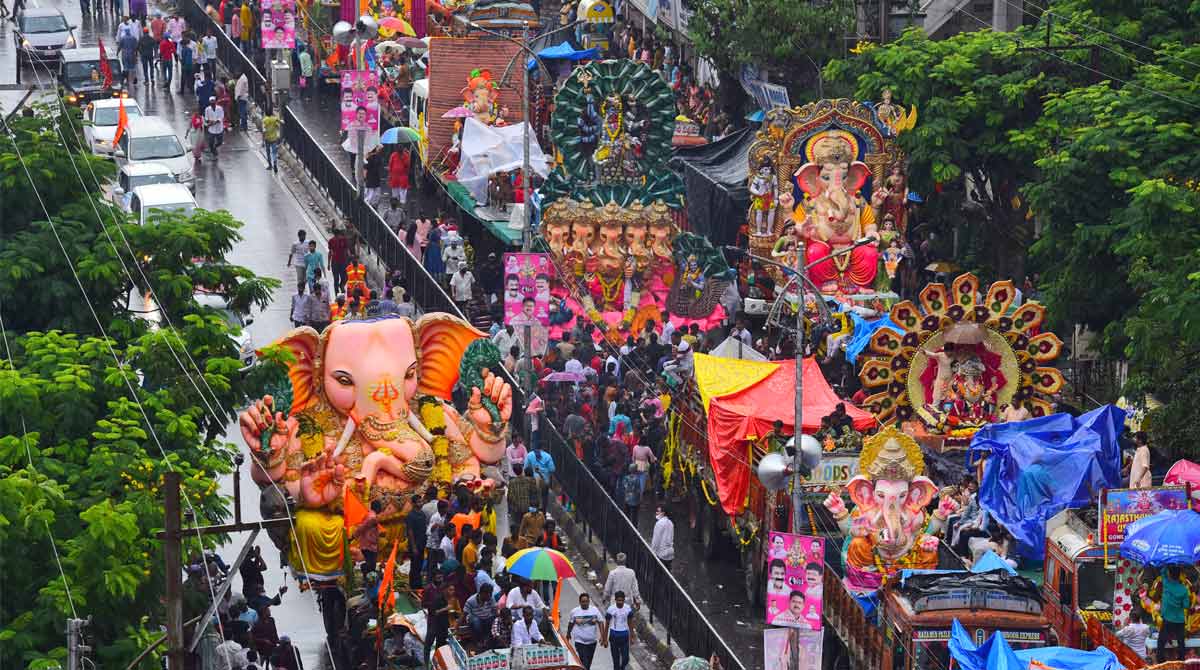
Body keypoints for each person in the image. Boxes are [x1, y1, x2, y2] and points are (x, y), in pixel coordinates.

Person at [1159, 566, 1190, 661]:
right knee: (1181, 642)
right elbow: (1186, 605)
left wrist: (1167, 564)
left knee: (1161, 641)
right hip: (1179, 620)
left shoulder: (1166, 584)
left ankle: (1161, 661)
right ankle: (1181, 660)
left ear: (1169, 574)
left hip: (1167, 619)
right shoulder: (1184, 589)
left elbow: (1162, 572)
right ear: (1179, 575)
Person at [568, 592, 606, 669]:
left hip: (592, 642)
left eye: (586, 601)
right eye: (583, 602)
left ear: (589, 601)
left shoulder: (595, 610)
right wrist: (568, 633)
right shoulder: (574, 612)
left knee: (588, 661)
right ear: (579, 602)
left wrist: (602, 636)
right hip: (580, 642)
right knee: (584, 661)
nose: (585, 603)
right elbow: (571, 623)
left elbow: (601, 622)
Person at [422, 572, 451, 661]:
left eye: (441, 577)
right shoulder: (429, 589)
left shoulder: (445, 591)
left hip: (443, 622)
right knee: (429, 642)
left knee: (440, 644)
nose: (440, 580)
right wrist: (435, 605)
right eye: (438, 578)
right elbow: (424, 604)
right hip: (433, 620)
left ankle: (436, 661)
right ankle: (426, 662)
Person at [604, 591, 634, 670]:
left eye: (621, 600)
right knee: (615, 659)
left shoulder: (628, 609)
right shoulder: (611, 609)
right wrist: (605, 639)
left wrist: (632, 636)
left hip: (624, 635)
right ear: (615, 600)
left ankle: (622, 667)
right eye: (618, 600)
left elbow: (630, 623)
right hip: (614, 635)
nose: (620, 602)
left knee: (626, 658)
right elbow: (607, 624)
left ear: (624, 600)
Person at [353, 500, 381, 574]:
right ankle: (363, 570)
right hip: (369, 544)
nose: (381, 509)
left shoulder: (370, 515)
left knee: (372, 564)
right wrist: (353, 536)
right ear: (377, 507)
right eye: (380, 507)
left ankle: (366, 576)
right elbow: (361, 527)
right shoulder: (372, 517)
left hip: (368, 543)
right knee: (371, 565)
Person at [650, 505, 675, 569]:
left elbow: (656, 539)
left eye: (658, 511)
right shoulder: (670, 523)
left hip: (661, 554)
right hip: (670, 553)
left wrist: (652, 551)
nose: (656, 513)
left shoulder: (659, 523)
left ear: (663, 513)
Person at [262, 106, 281, 173]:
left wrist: (262, 140)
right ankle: (275, 163)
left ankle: (270, 165)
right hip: (274, 139)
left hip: (267, 139)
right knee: (274, 152)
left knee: (268, 152)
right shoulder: (274, 119)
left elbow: (264, 130)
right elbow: (279, 124)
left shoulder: (264, 120)